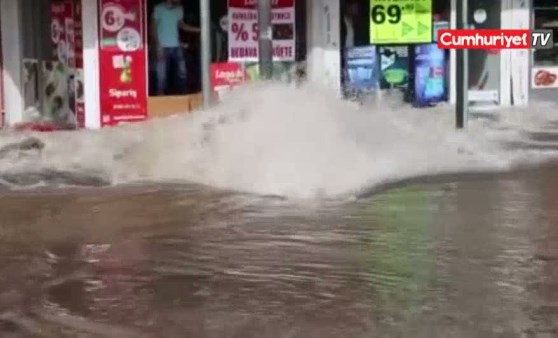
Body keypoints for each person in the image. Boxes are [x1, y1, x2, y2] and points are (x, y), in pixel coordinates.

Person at [151, 0, 200, 95]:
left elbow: (181, 25)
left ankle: (183, 94)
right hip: (163, 46)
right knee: (162, 75)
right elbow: (154, 28)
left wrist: (199, 29)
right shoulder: (158, 8)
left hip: (176, 45)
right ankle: (160, 96)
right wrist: (157, 45)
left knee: (182, 72)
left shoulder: (179, 9)